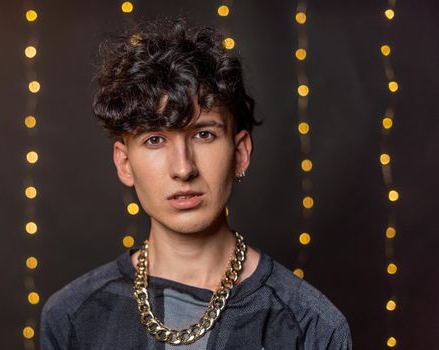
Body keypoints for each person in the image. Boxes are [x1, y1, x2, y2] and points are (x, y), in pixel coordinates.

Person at [40, 18, 352, 349]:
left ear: (241, 154)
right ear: (125, 162)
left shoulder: (311, 327)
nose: (183, 168)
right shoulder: (72, 317)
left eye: (204, 134)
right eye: (155, 139)